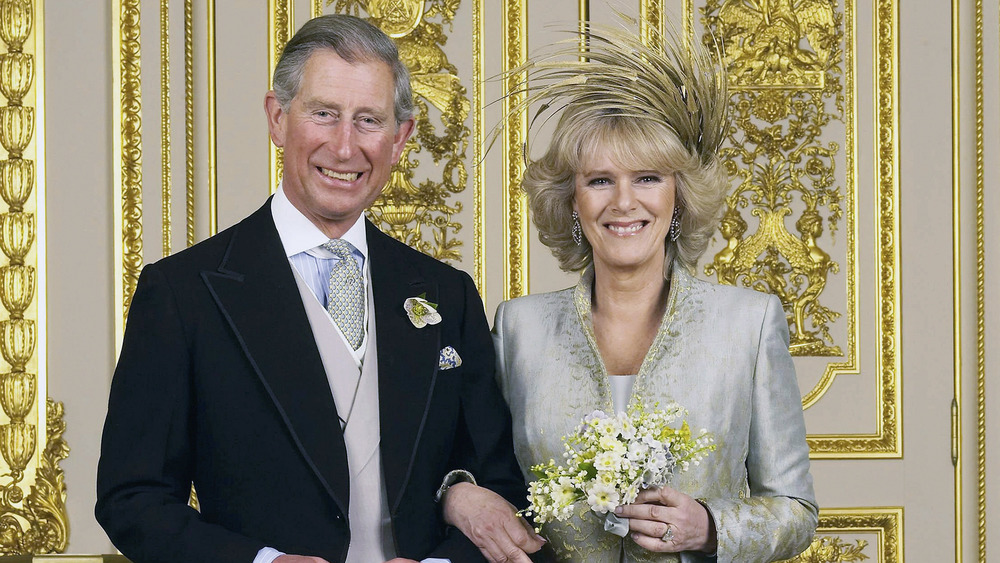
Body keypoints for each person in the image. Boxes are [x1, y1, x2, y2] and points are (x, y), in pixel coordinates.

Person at [96, 14, 543, 563]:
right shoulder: (183, 293)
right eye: (324, 114)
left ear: (400, 138)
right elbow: (132, 500)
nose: (344, 145)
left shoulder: (447, 294)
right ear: (278, 118)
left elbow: (501, 483)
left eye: (369, 121)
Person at [491, 23, 818, 562]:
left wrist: (710, 527)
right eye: (599, 180)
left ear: (679, 196)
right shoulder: (517, 330)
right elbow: (491, 488)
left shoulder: (748, 323)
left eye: (647, 178)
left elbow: (794, 510)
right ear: (572, 201)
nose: (623, 202)